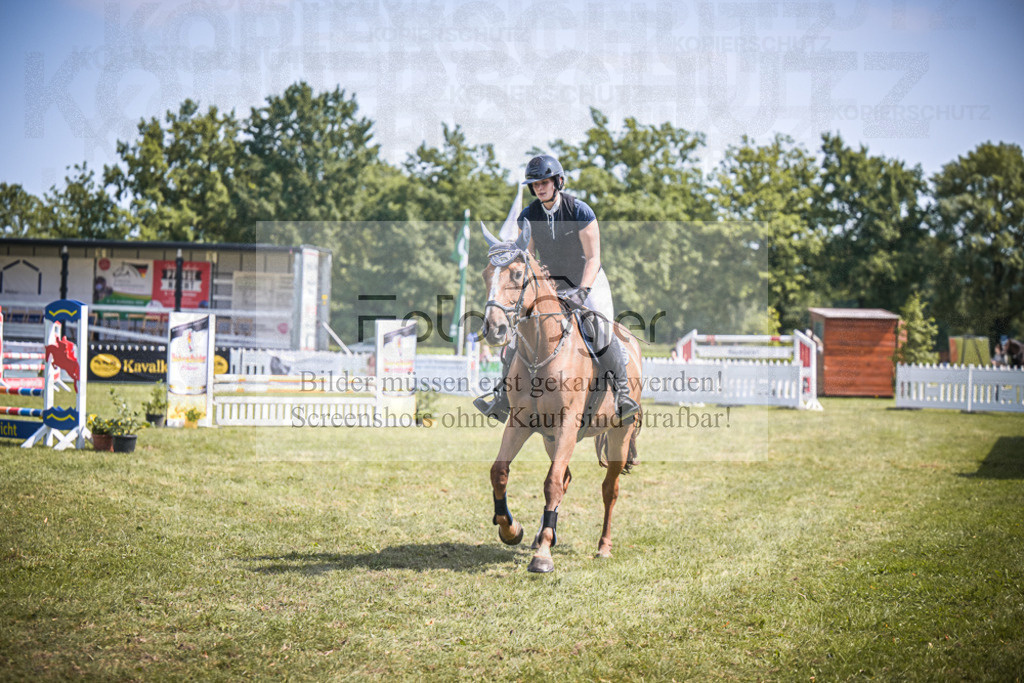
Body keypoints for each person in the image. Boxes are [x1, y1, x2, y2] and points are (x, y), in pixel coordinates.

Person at [474, 153, 640, 423]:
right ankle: (502, 397)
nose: (539, 188)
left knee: (600, 327)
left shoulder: (580, 211)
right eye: (535, 184)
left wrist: (583, 291)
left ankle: (622, 394)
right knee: (519, 335)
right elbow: (526, 261)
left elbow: (594, 257)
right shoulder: (528, 216)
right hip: (551, 284)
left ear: (558, 181)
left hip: (588, 279)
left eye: (544, 182)